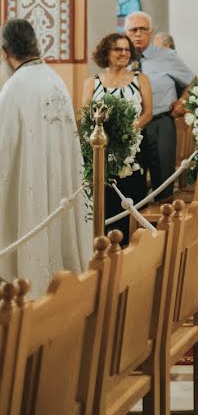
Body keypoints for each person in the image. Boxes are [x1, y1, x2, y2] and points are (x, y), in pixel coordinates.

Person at [0, 19, 92, 295]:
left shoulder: (14, 88)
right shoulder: (55, 80)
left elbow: (4, 149)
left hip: (32, 184)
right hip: (60, 182)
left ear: (5, 52)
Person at [81, 33, 153, 244]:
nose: (124, 54)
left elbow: (147, 113)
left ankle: (132, 246)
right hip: (102, 149)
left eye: (127, 50)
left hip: (134, 146)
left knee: (132, 196)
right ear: (106, 53)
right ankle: (104, 246)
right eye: (118, 49)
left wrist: (126, 134)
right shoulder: (92, 82)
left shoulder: (140, 79)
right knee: (106, 197)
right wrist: (106, 137)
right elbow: (85, 115)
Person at [125, 12, 196, 201]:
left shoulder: (167, 56)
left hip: (161, 124)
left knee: (163, 182)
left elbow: (193, 81)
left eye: (143, 29)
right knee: (131, 184)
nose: (138, 34)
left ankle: (162, 229)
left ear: (151, 32)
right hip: (131, 127)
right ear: (126, 33)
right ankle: (136, 229)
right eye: (133, 30)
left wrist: (182, 102)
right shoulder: (121, 58)